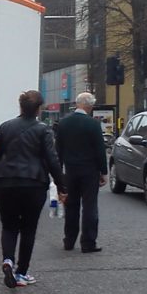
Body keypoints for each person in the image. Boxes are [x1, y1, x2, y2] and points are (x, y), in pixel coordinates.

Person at [0, 90, 67, 288]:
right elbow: (52, 160)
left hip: (6, 184)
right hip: (33, 184)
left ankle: (7, 260)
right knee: (28, 228)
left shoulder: (6, 127)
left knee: (9, 226)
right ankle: (21, 273)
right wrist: (62, 187)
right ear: (38, 109)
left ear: (20, 107)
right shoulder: (43, 130)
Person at [55, 92, 109, 253]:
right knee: (90, 206)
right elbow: (100, 150)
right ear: (90, 106)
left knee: (71, 206)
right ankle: (88, 242)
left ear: (77, 104)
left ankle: (69, 241)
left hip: (70, 171)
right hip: (89, 171)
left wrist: (58, 173)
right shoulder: (93, 124)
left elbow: (58, 150)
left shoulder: (63, 123)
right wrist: (103, 172)